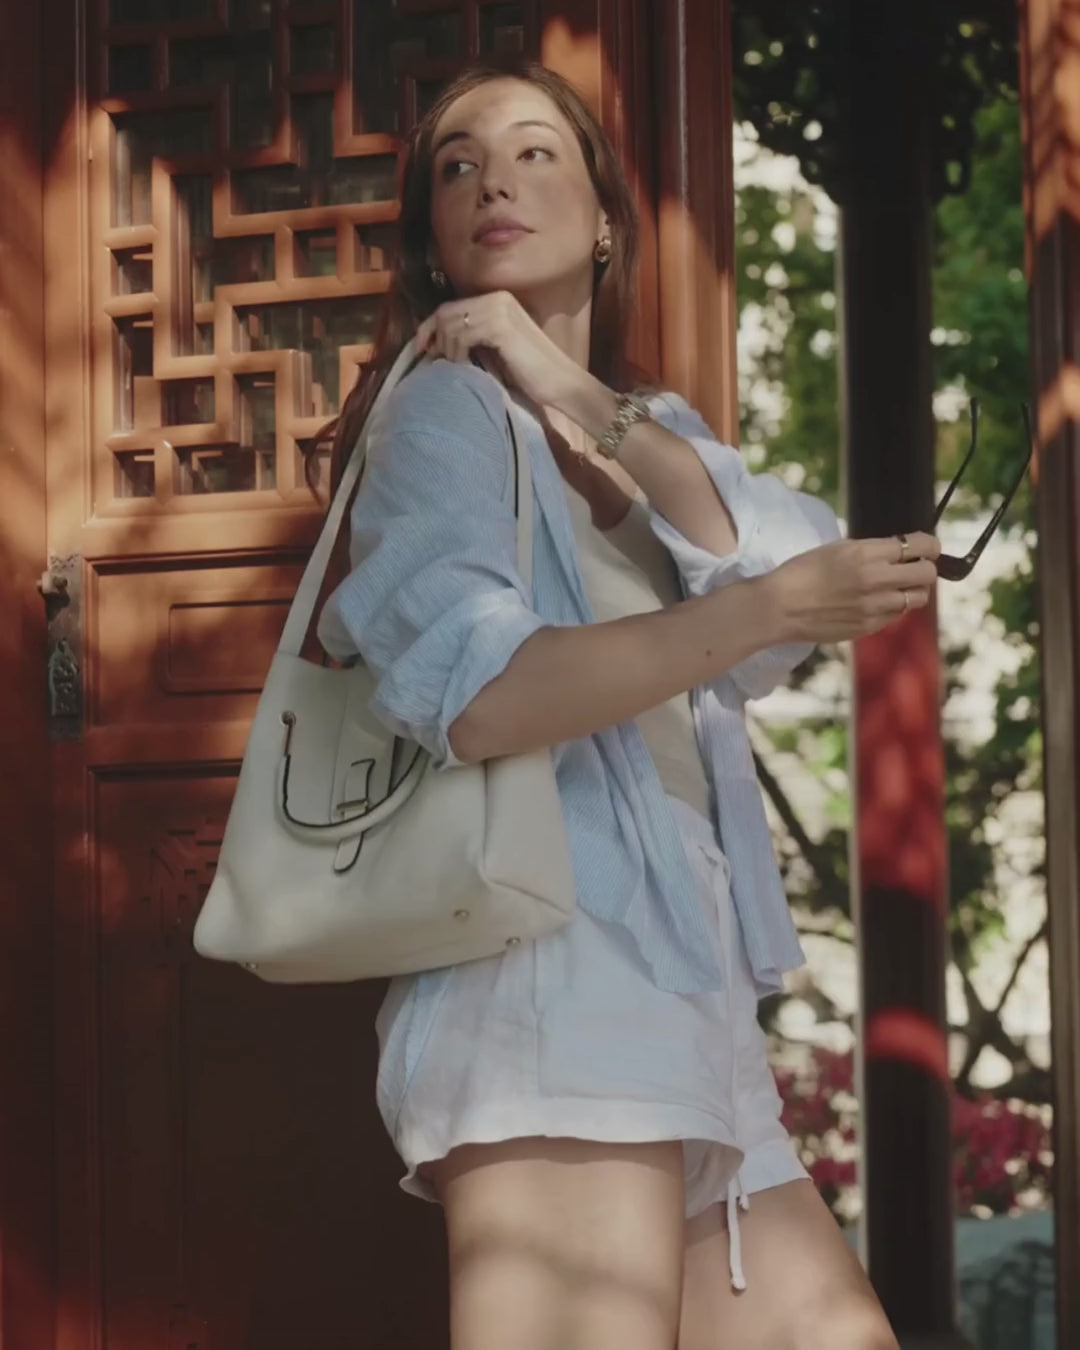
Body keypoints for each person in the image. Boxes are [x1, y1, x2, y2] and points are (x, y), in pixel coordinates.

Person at [315, 58, 937, 1350]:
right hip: (551, 977)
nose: (493, 180)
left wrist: (574, 389)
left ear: (605, 219)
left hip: (682, 980)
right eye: (458, 166)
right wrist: (763, 610)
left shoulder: (638, 427)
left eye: (535, 152)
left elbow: (782, 557)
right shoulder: (442, 415)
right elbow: (482, 695)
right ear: (433, 242)